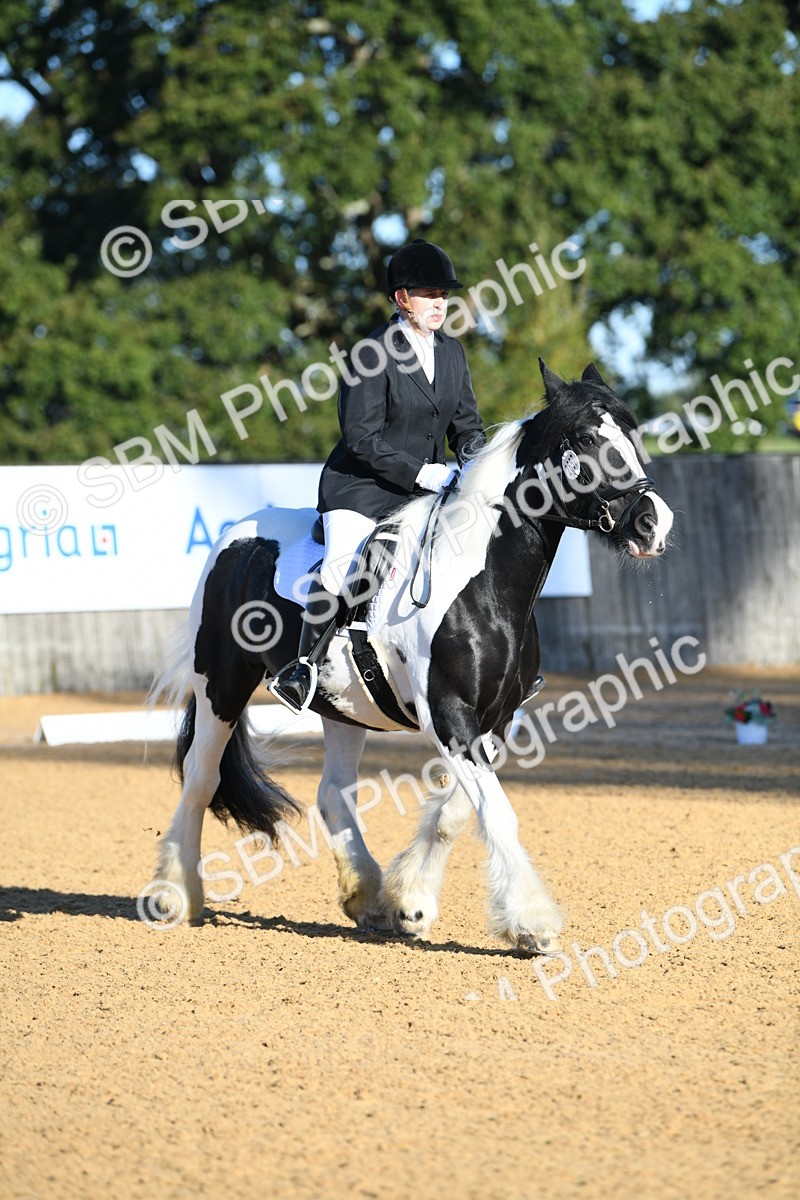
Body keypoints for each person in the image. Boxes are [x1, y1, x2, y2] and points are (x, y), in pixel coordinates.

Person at [270, 238, 485, 712]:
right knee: (343, 563)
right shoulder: (371, 353)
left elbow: (466, 429)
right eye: (429, 294)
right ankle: (304, 667)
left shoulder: (452, 355)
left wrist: (481, 466)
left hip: (424, 491)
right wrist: (422, 474)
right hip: (362, 487)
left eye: (444, 295)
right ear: (401, 298)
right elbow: (360, 437)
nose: (439, 304)